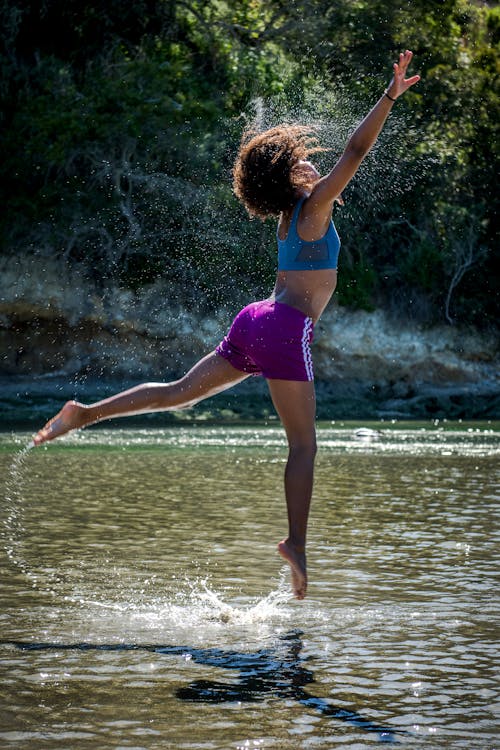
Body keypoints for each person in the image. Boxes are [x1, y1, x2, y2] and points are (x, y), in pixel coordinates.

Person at [33, 51, 420, 600]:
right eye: (302, 164)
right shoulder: (312, 211)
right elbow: (356, 151)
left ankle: (86, 412)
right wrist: (388, 97)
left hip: (253, 319)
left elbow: (322, 177)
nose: (314, 166)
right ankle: (296, 544)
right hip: (285, 330)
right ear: (289, 178)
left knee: (177, 394)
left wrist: (305, 179)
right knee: (304, 446)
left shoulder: (290, 215)